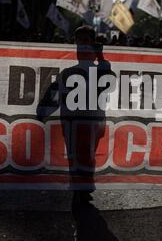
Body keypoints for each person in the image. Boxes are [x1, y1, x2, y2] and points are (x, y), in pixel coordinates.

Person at [37, 25, 113, 203]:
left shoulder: (100, 69)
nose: (81, 45)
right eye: (78, 41)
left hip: (93, 120)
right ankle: (80, 185)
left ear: (93, 43)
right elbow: (54, 95)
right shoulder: (68, 73)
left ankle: (84, 185)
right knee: (73, 153)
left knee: (87, 153)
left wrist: (100, 55)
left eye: (86, 40)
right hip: (71, 121)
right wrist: (42, 111)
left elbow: (109, 82)